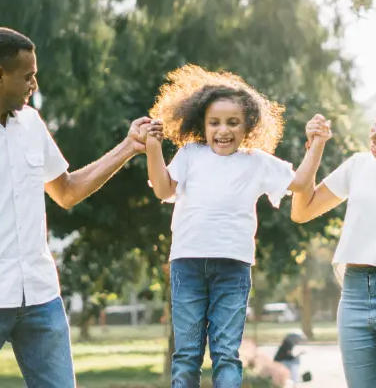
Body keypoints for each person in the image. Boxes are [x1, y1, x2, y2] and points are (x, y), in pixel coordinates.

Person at [139, 64, 331, 387]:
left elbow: (299, 182)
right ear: (202, 123)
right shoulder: (190, 154)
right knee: (187, 355)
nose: (223, 130)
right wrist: (153, 148)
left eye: (232, 123)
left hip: (234, 267)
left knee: (226, 353)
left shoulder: (256, 161)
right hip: (187, 264)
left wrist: (317, 144)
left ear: (248, 126)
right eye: (214, 123)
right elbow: (163, 189)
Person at [0, 27, 162, 387]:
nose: (35, 85)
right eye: (27, 76)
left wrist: (128, 147)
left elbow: (67, 191)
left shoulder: (31, 124)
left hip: (40, 297)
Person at [291, 94, 376, 388]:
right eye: (375, 127)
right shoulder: (359, 166)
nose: (375, 137)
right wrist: (315, 148)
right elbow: (303, 210)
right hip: (353, 296)